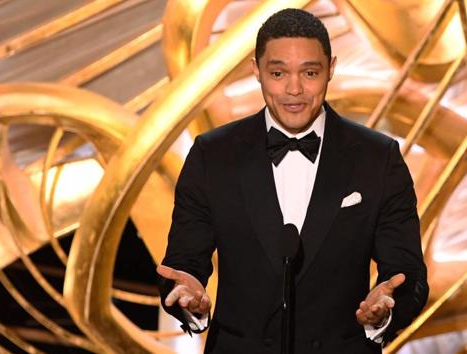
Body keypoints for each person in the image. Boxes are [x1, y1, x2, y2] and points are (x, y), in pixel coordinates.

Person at [157, 8, 428, 354]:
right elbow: (182, 266)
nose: (294, 89)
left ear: (331, 69)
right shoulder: (213, 155)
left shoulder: (378, 158)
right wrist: (186, 301)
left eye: (310, 72)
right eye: (278, 72)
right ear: (257, 71)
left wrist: (384, 311)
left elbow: (407, 274)